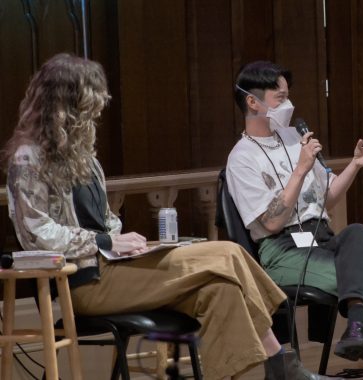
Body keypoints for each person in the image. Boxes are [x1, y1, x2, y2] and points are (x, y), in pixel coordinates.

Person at [2, 53, 339, 380]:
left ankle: (279, 368)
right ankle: (284, 366)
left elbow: (107, 219)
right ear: (64, 106)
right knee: (228, 252)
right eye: (89, 105)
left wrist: (121, 241)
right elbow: (36, 232)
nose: (98, 111)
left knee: (222, 290)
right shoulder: (28, 160)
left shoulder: (85, 158)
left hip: (114, 266)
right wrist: (105, 241)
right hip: (83, 282)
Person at [225, 61, 363, 380]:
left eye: (288, 96)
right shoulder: (241, 159)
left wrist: (355, 165)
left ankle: (357, 330)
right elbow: (272, 223)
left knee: (358, 233)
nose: (287, 105)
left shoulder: (293, 139)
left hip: (321, 239)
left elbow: (328, 197)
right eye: (279, 98)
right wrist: (301, 169)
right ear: (253, 101)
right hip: (282, 250)